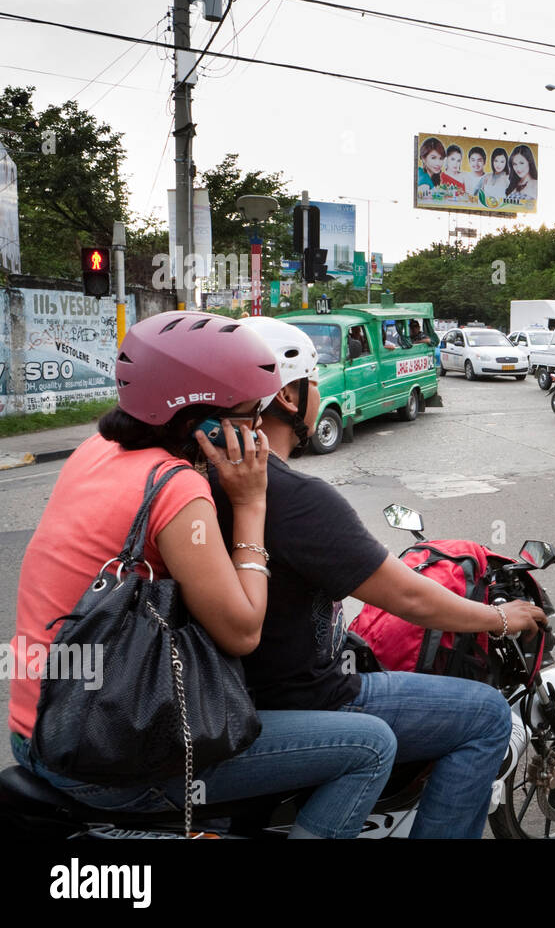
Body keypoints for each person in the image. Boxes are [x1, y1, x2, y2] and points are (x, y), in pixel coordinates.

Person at [8, 311, 398, 839]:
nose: (258, 427)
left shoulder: (96, 451)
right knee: (371, 745)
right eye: (246, 414)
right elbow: (243, 630)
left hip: (42, 725)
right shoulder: (175, 488)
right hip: (97, 753)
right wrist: (251, 502)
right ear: (203, 422)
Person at [222, 318, 547, 838]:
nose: (321, 388)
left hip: (235, 694)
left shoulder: (199, 479)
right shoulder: (296, 499)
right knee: (487, 715)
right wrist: (498, 618)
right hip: (310, 701)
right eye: (315, 378)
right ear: (287, 394)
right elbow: (407, 597)